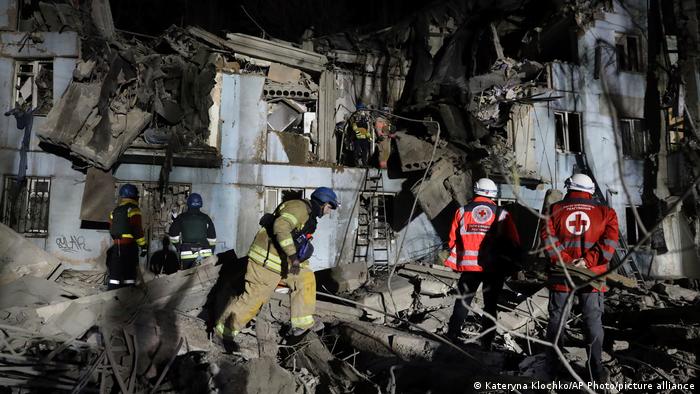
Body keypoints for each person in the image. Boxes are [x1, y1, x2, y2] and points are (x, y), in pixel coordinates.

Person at [214, 187, 340, 340]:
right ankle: (223, 333)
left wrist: (299, 261)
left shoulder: (308, 215)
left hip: (281, 263)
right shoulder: (299, 207)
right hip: (265, 262)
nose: (329, 212)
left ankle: (302, 325)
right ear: (321, 202)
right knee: (253, 300)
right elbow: (281, 226)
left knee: (305, 277)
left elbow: (295, 239)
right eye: (329, 207)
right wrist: (293, 256)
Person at [540, 173, 619, 382]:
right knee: (592, 320)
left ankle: (552, 369)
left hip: (562, 275)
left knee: (557, 319)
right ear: (591, 190)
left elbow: (548, 241)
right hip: (592, 277)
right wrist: (587, 262)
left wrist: (566, 260)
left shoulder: (553, 210)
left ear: (569, 187)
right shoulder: (606, 212)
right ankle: (596, 371)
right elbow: (610, 244)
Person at [444, 178, 521, 348]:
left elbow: (451, 241)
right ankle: (487, 343)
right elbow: (514, 241)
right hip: (493, 268)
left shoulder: (462, 211)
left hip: (470, 268)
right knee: (491, 305)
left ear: (476, 191)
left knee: (463, 301)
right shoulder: (501, 213)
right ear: (493, 194)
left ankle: (452, 336)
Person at [107, 184, 147, 290]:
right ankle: (129, 292)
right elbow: (137, 229)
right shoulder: (134, 209)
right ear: (134, 196)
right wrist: (143, 245)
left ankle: (111, 292)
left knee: (115, 271)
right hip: (129, 245)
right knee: (129, 271)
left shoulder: (115, 211)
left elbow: (111, 229)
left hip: (117, 245)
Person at [168, 193, 217, 269]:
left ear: (188, 203)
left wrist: (178, 247)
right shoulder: (206, 218)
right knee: (205, 278)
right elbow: (212, 238)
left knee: (188, 278)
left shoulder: (181, 218)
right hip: (205, 252)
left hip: (187, 253)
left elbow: (173, 234)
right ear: (200, 204)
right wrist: (211, 251)